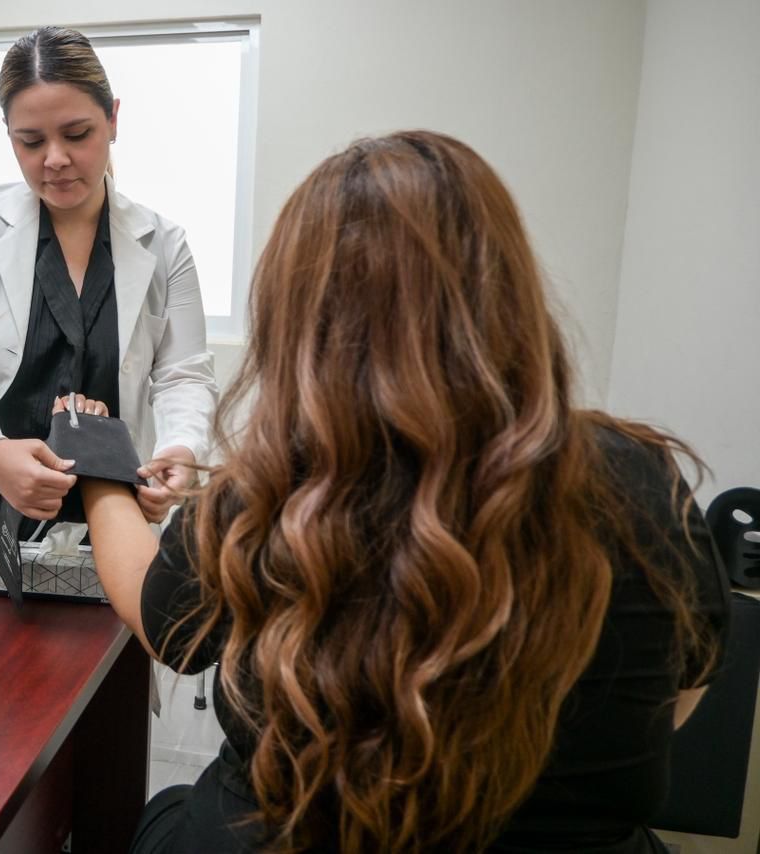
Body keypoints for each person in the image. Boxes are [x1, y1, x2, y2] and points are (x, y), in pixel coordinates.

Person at [76, 131, 730, 853]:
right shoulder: (640, 479)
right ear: (504, 290)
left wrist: (98, 461)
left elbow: (155, 611)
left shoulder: (266, 493)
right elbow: (683, 682)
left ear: (300, 319)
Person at [0, 26, 218, 560]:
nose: (54, 158)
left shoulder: (164, 244)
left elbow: (184, 374)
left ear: (114, 119)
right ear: (8, 134)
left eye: (77, 134)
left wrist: (182, 450)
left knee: (101, 641)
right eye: (30, 141)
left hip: (107, 515)